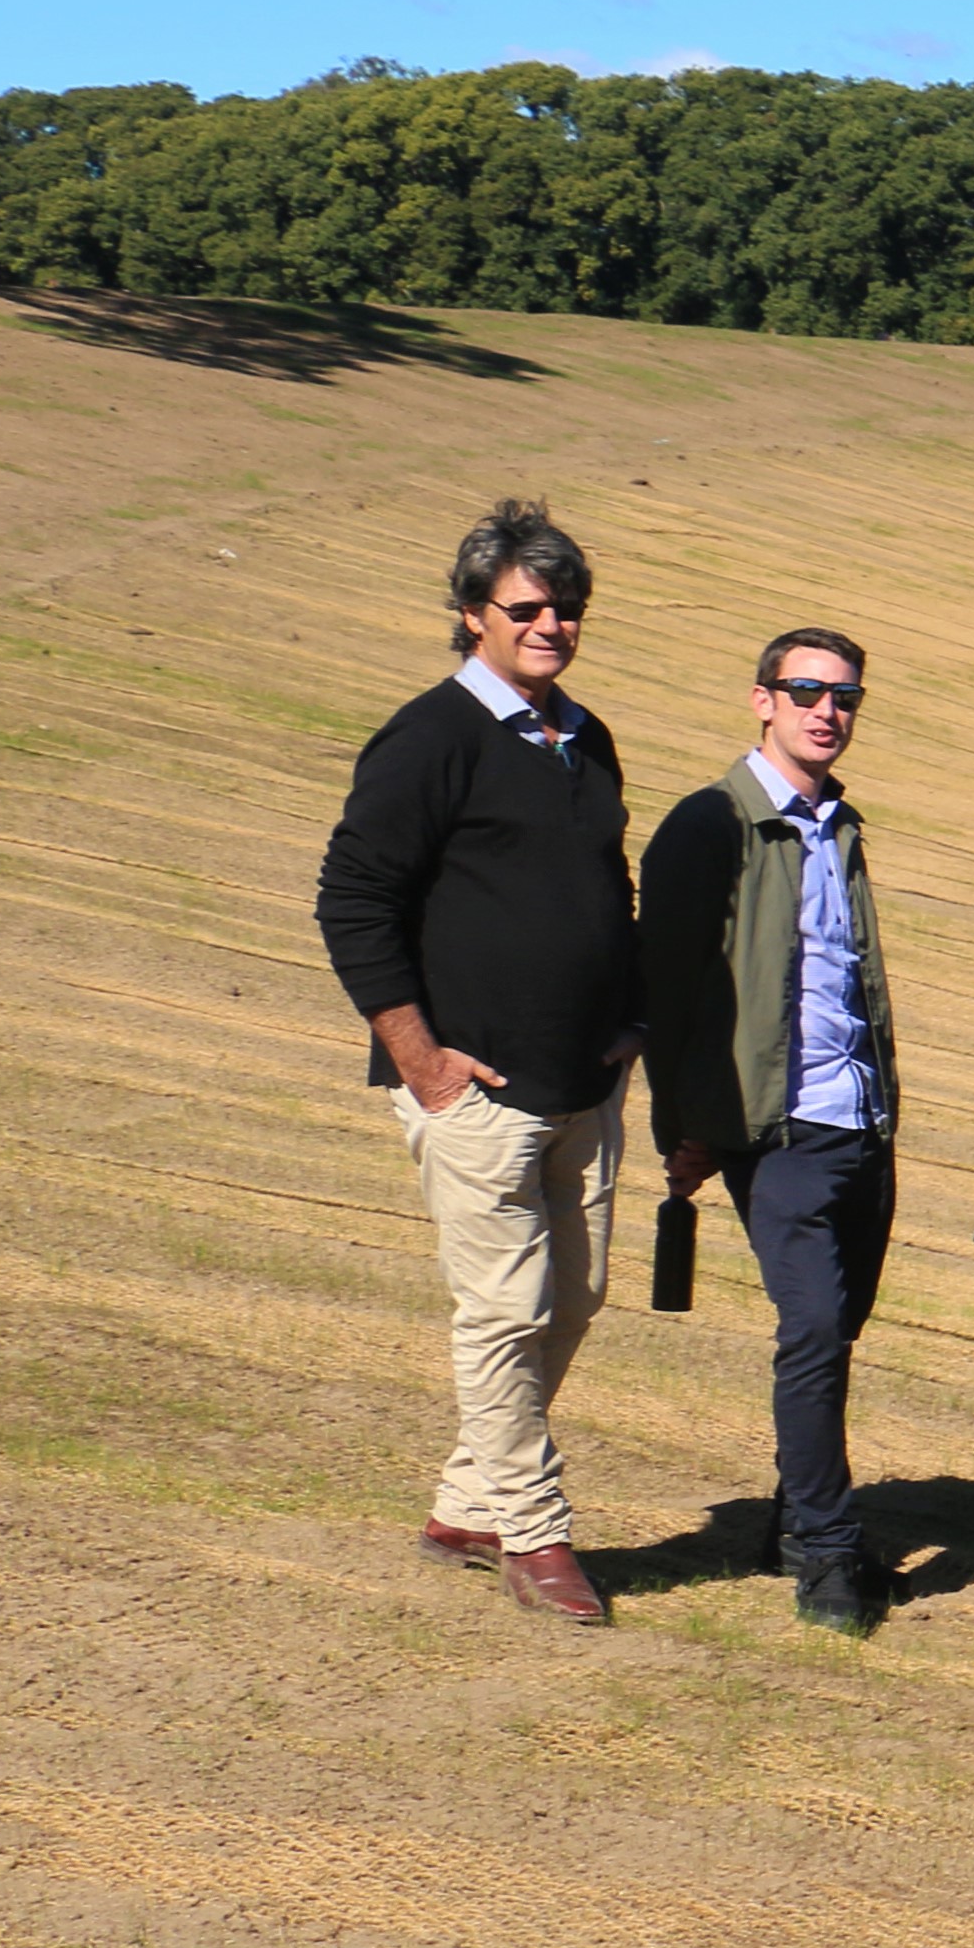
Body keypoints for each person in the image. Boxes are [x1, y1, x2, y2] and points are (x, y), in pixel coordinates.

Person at [314, 497, 639, 1629]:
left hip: (585, 1086)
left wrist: (630, 1017)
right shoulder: (429, 738)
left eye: (567, 609)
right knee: (502, 1311)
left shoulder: (580, 735)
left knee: (576, 1297)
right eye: (528, 609)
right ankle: (534, 1533)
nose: (552, 626)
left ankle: (466, 1501)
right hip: (476, 1091)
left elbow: (608, 888)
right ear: (473, 616)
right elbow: (352, 900)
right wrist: (420, 1059)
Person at [640, 626, 902, 1633]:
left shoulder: (840, 827)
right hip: (775, 1132)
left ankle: (799, 1515)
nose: (826, 710)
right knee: (812, 1332)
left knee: (839, 1329)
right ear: (761, 700)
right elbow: (669, 981)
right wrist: (689, 1126)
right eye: (806, 691)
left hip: (859, 1124)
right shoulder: (712, 824)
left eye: (844, 697)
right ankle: (829, 1556)